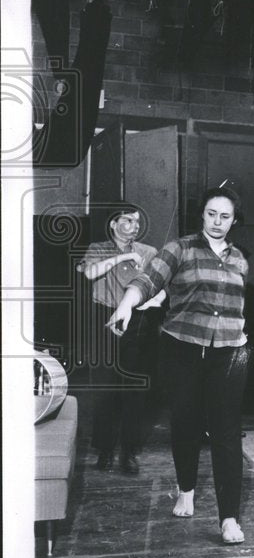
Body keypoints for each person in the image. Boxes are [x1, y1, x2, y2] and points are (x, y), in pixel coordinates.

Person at [107, 186, 251, 545]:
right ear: (201, 214)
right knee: (185, 423)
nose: (218, 222)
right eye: (211, 214)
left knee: (227, 433)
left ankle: (229, 519)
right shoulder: (180, 248)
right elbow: (148, 279)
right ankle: (186, 490)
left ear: (234, 220)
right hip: (182, 349)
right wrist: (127, 304)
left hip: (230, 352)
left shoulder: (240, 260)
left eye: (225, 216)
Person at [78, 203, 164, 474]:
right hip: (103, 319)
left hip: (137, 323)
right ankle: (104, 451)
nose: (135, 226)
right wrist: (120, 258)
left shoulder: (148, 252)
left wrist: (147, 304)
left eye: (137, 222)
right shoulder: (98, 248)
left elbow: (160, 291)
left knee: (134, 391)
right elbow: (89, 272)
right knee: (104, 390)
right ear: (113, 224)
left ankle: (129, 453)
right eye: (128, 220)